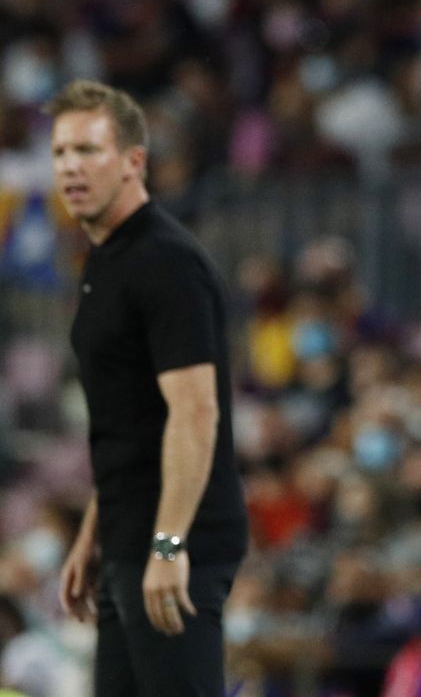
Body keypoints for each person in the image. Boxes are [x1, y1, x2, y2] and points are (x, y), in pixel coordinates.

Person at [47, 80, 248, 695]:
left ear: (135, 161)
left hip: (175, 542)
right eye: (59, 154)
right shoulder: (106, 261)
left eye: (87, 150)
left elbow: (194, 412)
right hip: (130, 536)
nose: (70, 168)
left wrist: (168, 545)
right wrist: (94, 531)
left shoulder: (166, 262)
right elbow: (133, 419)